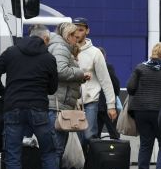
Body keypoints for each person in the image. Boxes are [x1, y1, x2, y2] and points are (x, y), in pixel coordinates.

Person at [0, 24, 71, 169]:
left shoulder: (11, 52)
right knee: (49, 152)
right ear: (45, 40)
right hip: (39, 110)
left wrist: (6, 93)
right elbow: (52, 88)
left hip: (13, 109)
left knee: (12, 155)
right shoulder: (48, 58)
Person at [47, 22, 91, 161]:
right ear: (67, 36)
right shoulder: (61, 48)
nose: (76, 39)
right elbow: (60, 71)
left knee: (56, 148)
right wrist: (81, 73)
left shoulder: (58, 46)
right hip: (57, 104)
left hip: (58, 103)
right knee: (57, 149)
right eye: (74, 36)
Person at [73, 17, 117, 148]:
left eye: (81, 30)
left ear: (87, 31)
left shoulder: (95, 53)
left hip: (91, 100)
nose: (77, 33)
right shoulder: (68, 50)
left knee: (89, 136)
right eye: (75, 30)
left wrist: (111, 106)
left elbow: (106, 80)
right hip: (72, 101)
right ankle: (78, 166)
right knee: (76, 139)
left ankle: (89, 166)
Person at [97, 47, 121, 139]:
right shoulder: (108, 66)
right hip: (107, 105)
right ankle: (114, 153)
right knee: (114, 133)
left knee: (94, 135)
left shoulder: (91, 68)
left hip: (94, 104)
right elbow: (115, 83)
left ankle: (93, 153)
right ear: (104, 57)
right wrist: (115, 95)